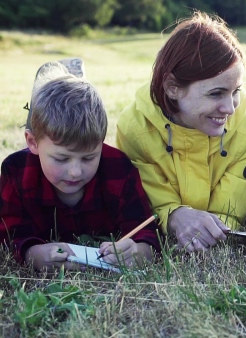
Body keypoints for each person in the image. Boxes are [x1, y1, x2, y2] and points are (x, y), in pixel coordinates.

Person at [116, 12, 246, 252]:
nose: (229, 108)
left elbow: (231, 209)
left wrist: (209, 233)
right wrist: (174, 216)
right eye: (216, 93)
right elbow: (144, 199)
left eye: (236, 90)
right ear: (173, 88)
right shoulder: (133, 128)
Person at [0, 61, 160, 270]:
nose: (75, 171)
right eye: (61, 159)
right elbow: (8, 236)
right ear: (32, 142)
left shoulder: (119, 169)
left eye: (88, 158)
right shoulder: (16, 172)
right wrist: (34, 254)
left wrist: (138, 252)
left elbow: (147, 233)